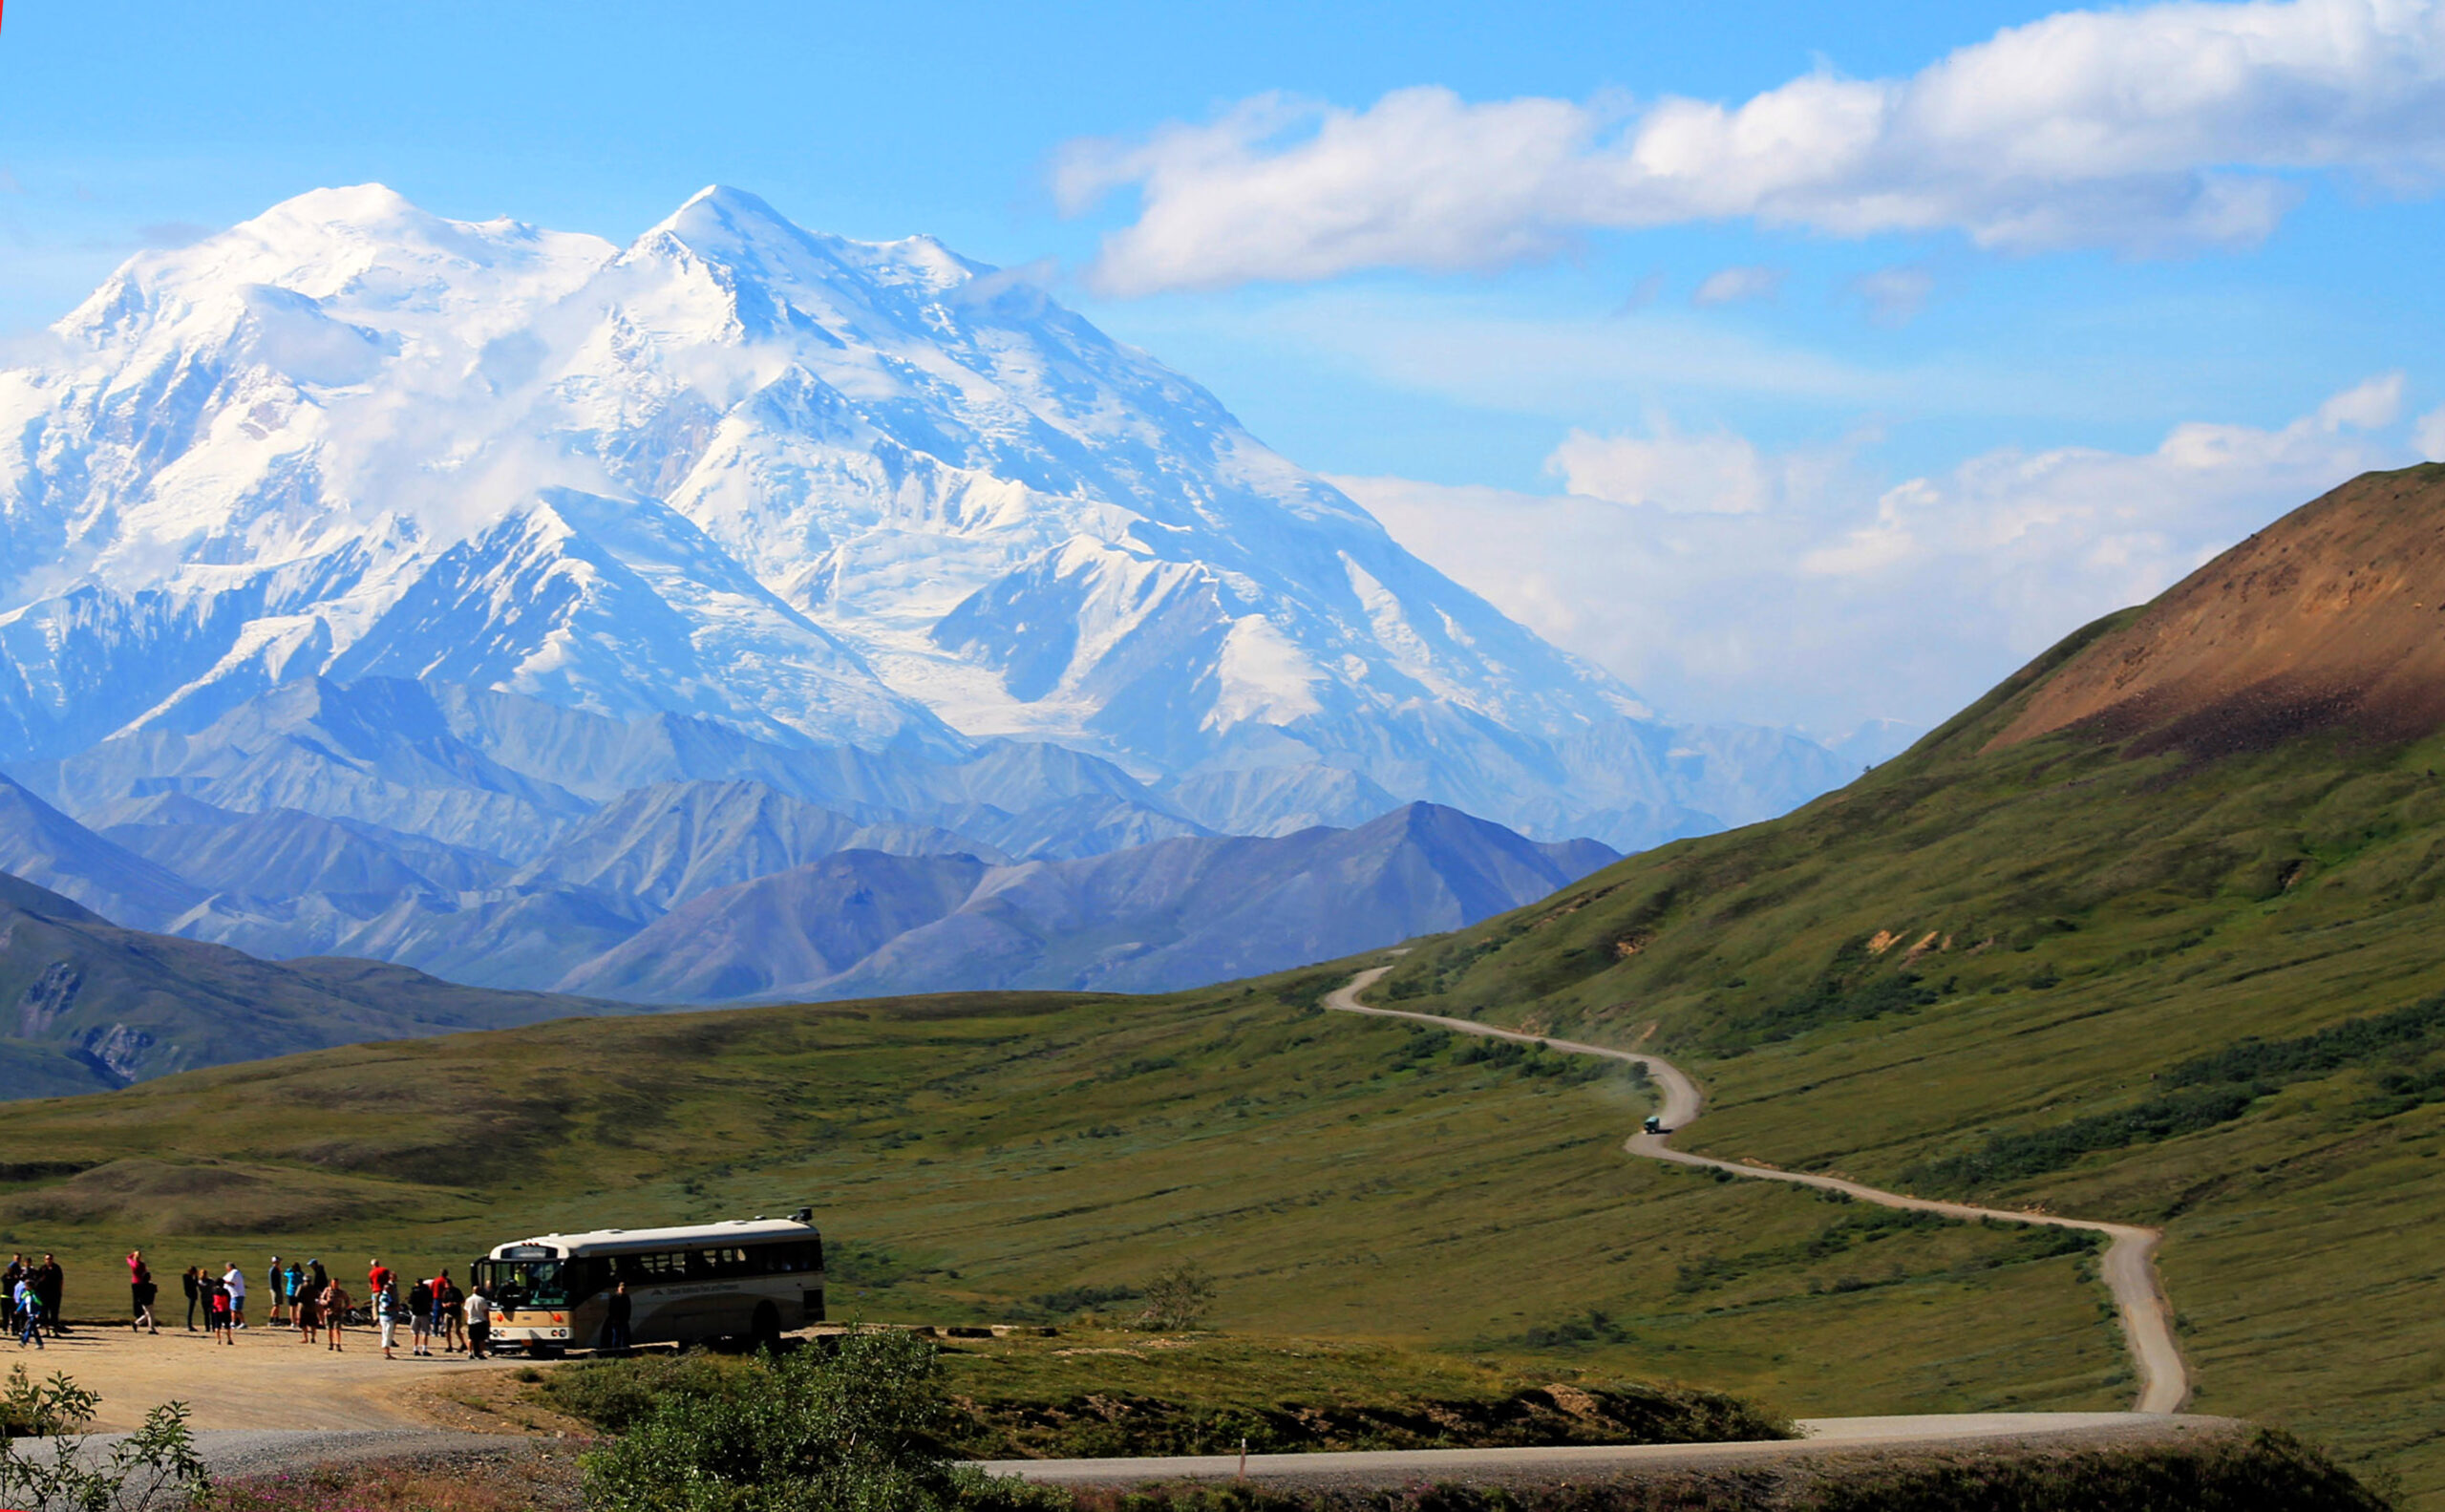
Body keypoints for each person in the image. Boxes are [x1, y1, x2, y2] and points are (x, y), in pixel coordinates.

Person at [127, 1250, 159, 1334]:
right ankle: (151, 1328)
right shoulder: (142, 1265)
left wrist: (133, 1253)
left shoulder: (133, 1264)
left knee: (147, 1311)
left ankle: (137, 1323)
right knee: (150, 1312)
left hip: (135, 1283)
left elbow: (128, 1258)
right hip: (142, 1284)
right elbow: (145, 1274)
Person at [33, 1255, 63, 1336]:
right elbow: (37, 1280)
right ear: (44, 1260)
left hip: (55, 1294)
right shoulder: (43, 1269)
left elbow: (61, 1280)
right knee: (44, 1313)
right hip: (44, 1294)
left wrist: (60, 1291)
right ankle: (47, 1332)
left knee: (54, 1313)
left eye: (50, 1259)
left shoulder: (56, 1268)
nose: (48, 1260)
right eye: (47, 1259)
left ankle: (55, 1332)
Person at [601, 1281, 632, 1354]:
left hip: (624, 1320)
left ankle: (625, 1350)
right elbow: (611, 1310)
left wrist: (627, 1318)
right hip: (616, 1320)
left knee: (625, 1336)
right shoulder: (614, 1298)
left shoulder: (626, 1297)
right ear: (618, 1288)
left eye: (624, 1289)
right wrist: (614, 1319)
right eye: (621, 1288)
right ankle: (616, 1351)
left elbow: (628, 1308)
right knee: (616, 1337)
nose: (623, 1290)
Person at [321, 1277, 351, 1352]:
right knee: (329, 1329)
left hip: (338, 1312)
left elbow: (347, 1300)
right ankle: (331, 1343)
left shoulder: (341, 1292)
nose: (335, 1285)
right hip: (328, 1312)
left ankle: (338, 1344)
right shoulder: (327, 1290)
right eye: (334, 1283)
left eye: (337, 1283)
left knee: (337, 1329)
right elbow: (321, 1299)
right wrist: (326, 1303)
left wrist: (344, 1309)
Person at [375, 1278, 403, 1360]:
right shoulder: (385, 1296)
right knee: (387, 1335)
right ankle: (386, 1352)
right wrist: (396, 1308)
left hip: (388, 1318)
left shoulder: (387, 1296)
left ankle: (387, 1351)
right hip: (386, 1318)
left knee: (388, 1335)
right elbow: (386, 1307)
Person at [13, 1268, 40, 1350]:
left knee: (29, 1328)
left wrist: (38, 1313)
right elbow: (23, 1304)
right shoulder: (27, 1295)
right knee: (34, 1330)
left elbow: (39, 1305)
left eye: (26, 1286)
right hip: (29, 1315)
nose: (25, 1287)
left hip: (34, 1315)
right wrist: (17, 1310)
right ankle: (40, 1343)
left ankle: (23, 1342)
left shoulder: (35, 1296)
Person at [463, 1284, 492, 1361]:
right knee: (481, 1338)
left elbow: (466, 1311)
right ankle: (480, 1352)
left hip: (471, 1320)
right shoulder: (482, 1300)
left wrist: (467, 1319)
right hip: (480, 1320)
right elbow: (486, 1311)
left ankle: (469, 1352)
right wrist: (488, 1320)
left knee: (471, 1338)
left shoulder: (468, 1299)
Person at [408, 1276, 435, 1356]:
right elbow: (431, 1301)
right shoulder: (427, 1291)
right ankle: (424, 1349)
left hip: (415, 1313)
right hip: (425, 1313)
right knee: (425, 1332)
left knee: (415, 1332)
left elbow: (410, 1301)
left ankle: (415, 1348)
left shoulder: (414, 1291)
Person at [206, 1275, 232, 1346]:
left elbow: (211, 1300)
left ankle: (218, 1339)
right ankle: (229, 1339)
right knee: (227, 1326)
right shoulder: (226, 1291)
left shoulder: (213, 1291)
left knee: (217, 1326)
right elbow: (229, 1300)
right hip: (225, 1309)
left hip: (216, 1309)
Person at [222, 1262, 246, 1330]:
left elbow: (232, 1282)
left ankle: (234, 1322)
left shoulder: (234, 1272)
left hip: (237, 1294)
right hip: (233, 1294)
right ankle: (240, 1322)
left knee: (235, 1309)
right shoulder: (233, 1273)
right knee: (235, 1309)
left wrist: (223, 1281)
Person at [266, 1255, 287, 1326]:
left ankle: (277, 1319)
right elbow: (272, 1282)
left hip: (277, 1288)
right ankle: (271, 1320)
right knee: (275, 1305)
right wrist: (275, 1289)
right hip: (275, 1289)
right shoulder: (273, 1270)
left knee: (278, 1305)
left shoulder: (276, 1269)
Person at [181, 1266, 201, 1331]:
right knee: (190, 1310)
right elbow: (195, 1284)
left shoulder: (186, 1276)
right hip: (191, 1294)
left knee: (191, 1310)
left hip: (190, 1294)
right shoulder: (187, 1277)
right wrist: (195, 1277)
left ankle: (189, 1324)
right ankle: (189, 1324)